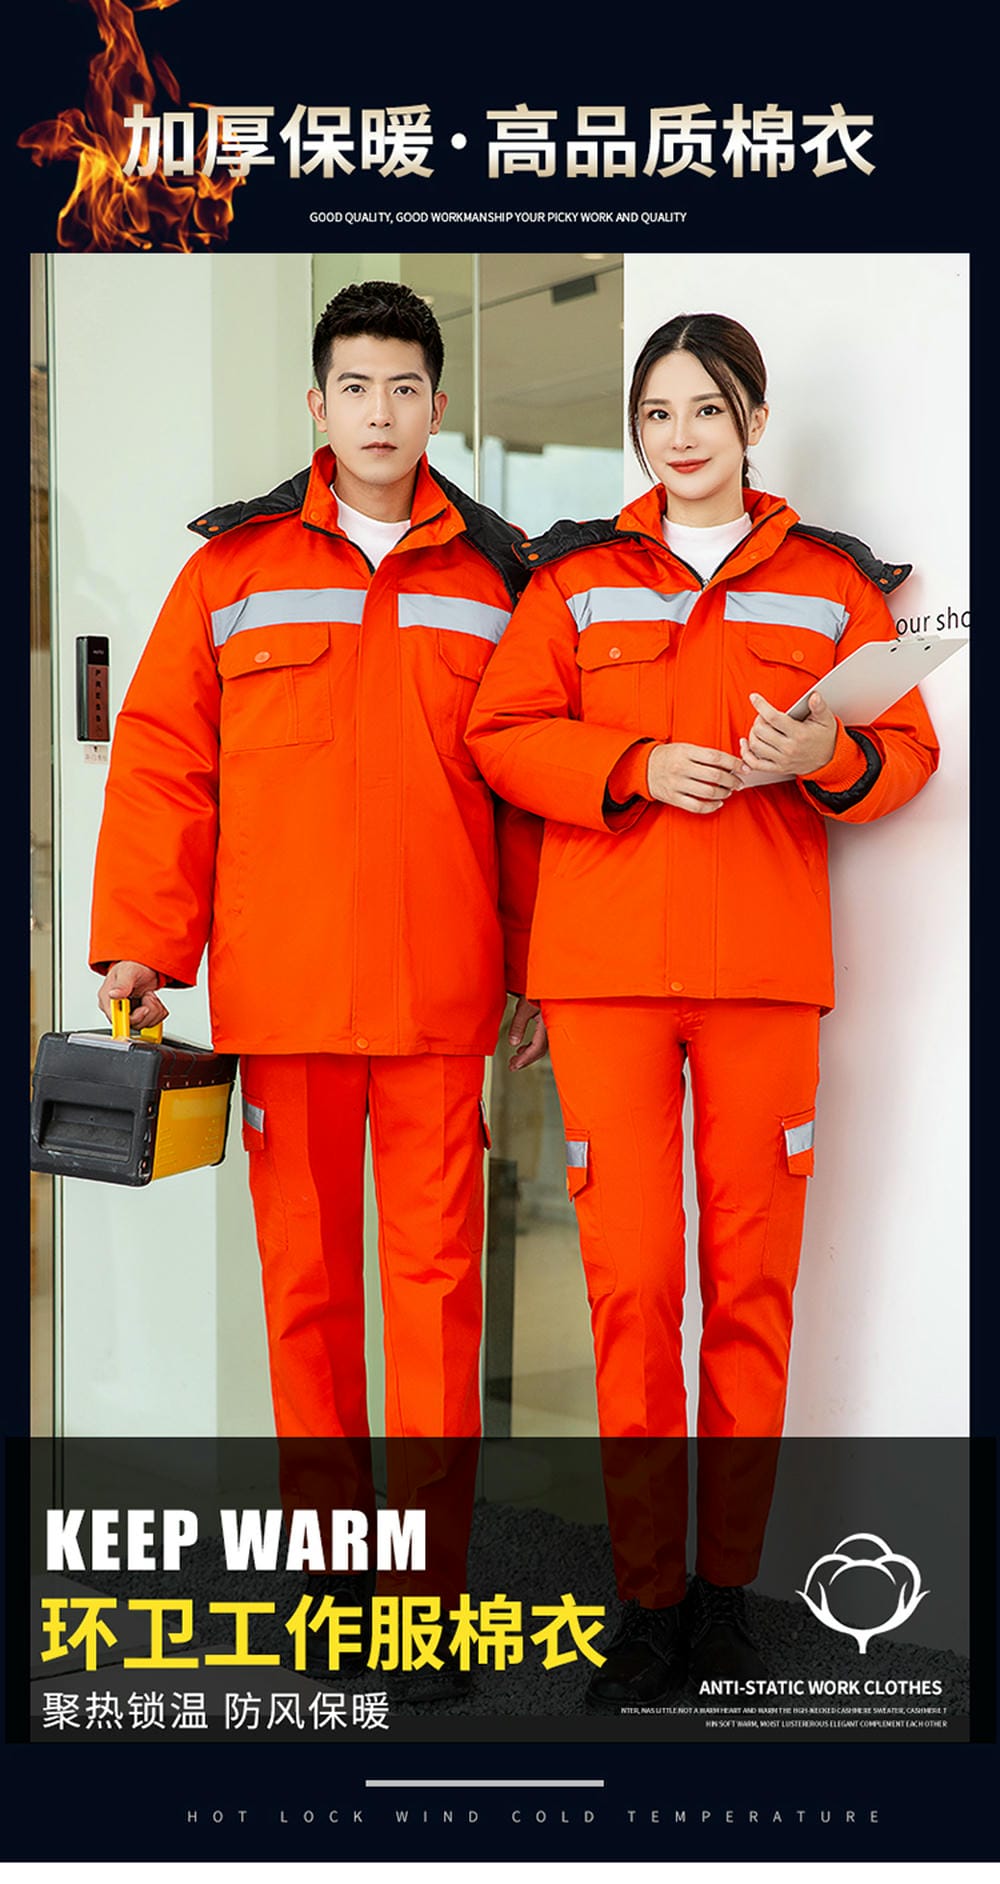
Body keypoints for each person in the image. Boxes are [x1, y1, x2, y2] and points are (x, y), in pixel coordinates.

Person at [466, 311, 939, 1708]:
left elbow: (906, 752)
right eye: (657, 413)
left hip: (763, 976)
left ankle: (726, 1597)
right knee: (630, 1290)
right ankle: (647, 1599)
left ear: (753, 421)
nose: (680, 438)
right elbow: (502, 734)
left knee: (751, 1290)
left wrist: (824, 752)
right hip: (607, 975)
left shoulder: (830, 586)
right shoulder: (575, 581)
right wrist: (629, 765)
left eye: (706, 411)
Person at [88, 283, 544, 1674]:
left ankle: (429, 1606)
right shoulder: (229, 573)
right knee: (310, 1309)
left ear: (437, 405)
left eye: (405, 388)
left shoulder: (501, 579)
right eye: (356, 387)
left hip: (439, 999)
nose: (381, 413)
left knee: (437, 1315)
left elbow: (530, 794)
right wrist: (142, 944)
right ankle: (341, 1597)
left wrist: (539, 967)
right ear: (317, 405)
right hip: (284, 999)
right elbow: (167, 762)